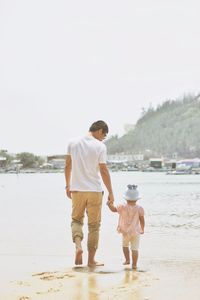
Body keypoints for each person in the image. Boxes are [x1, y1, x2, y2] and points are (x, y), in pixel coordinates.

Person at [65, 120, 114, 267]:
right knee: (94, 226)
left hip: (77, 190)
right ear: (99, 131)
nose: (102, 139)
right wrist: (111, 192)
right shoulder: (100, 146)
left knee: (76, 221)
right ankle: (91, 260)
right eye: (103, 136)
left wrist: (68, 185)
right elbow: (104, 170)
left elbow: (68, 166)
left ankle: (78, 246)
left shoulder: (72, 143)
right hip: (94, 191)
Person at [107, 184, 145, 270]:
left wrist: (109, 204)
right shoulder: (139, 208)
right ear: (137, 199)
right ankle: (134, 264)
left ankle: (127, 260)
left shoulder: (122, 206)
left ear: (126, 198)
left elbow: (113, 210)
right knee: (135, 249)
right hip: (135, 232)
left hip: (125, 232)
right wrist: (142, 228)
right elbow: (142, 220)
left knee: (125, 246)